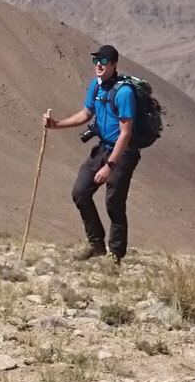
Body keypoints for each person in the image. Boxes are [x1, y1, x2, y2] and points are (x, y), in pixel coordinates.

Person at [42, 44, 141, 261]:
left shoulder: (123, 92)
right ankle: (96, 244)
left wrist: (110, 166)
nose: (99, 65)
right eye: (96, 60)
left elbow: (125, 133)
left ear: (114, 65)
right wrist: (56, 124)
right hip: (103, 147)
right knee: (80, 192)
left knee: (114, 203)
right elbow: (86, 114)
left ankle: (115, 255)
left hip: (122, 153)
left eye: (104, 61)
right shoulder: (96, 87)